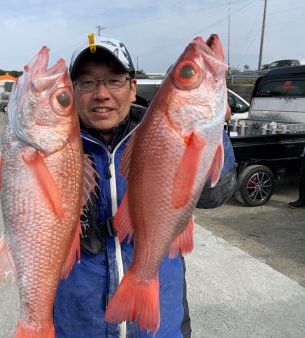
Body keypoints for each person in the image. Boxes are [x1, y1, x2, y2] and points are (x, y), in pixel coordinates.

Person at [53, 35, 237, 338]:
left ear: (132, 88)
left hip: (160, 323)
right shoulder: (54, 150)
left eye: (114, 81)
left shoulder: (160, 134)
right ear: (72, 91)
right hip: (77, 326)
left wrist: (216, 132)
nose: (101, 94)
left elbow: (215, 195)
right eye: (87, 83)